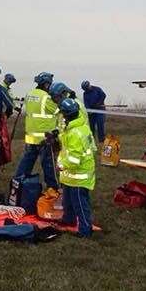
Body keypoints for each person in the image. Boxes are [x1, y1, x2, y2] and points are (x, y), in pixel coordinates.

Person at [57, 98, 96, 237]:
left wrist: (61, 165)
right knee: (67, 200)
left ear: (66, 115)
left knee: (80, 203)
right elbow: (65, 138)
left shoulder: (75, 133)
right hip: (71, 175)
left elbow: (74, 159)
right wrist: (56, 136)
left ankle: (85, 230)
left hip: (79, 174)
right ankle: (68, 220)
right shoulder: (77, 126)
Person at [15, 72, 59, 191]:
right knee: (49, 166)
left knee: (26, 162)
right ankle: (53, 189)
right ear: (46, 85)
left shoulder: (30, 94)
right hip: (45, 138)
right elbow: (60, 110)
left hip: (31, 136)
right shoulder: (47, 98)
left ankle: (17, 183)